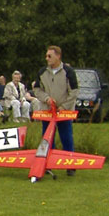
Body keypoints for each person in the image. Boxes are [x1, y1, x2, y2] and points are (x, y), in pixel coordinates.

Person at [33, 45, 79, 176]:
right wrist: (46, 99)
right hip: (47, 111)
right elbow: (37, 89)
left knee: (66, 137)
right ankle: (47, 164)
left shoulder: (68, 72)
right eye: (46, 56)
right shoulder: (42, 72)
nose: (47, 58)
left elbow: (74, 91)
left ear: (58, 56)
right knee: (47, 138)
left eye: (49, 56)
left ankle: (70, 165)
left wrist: (64, 106)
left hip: (64, 111)